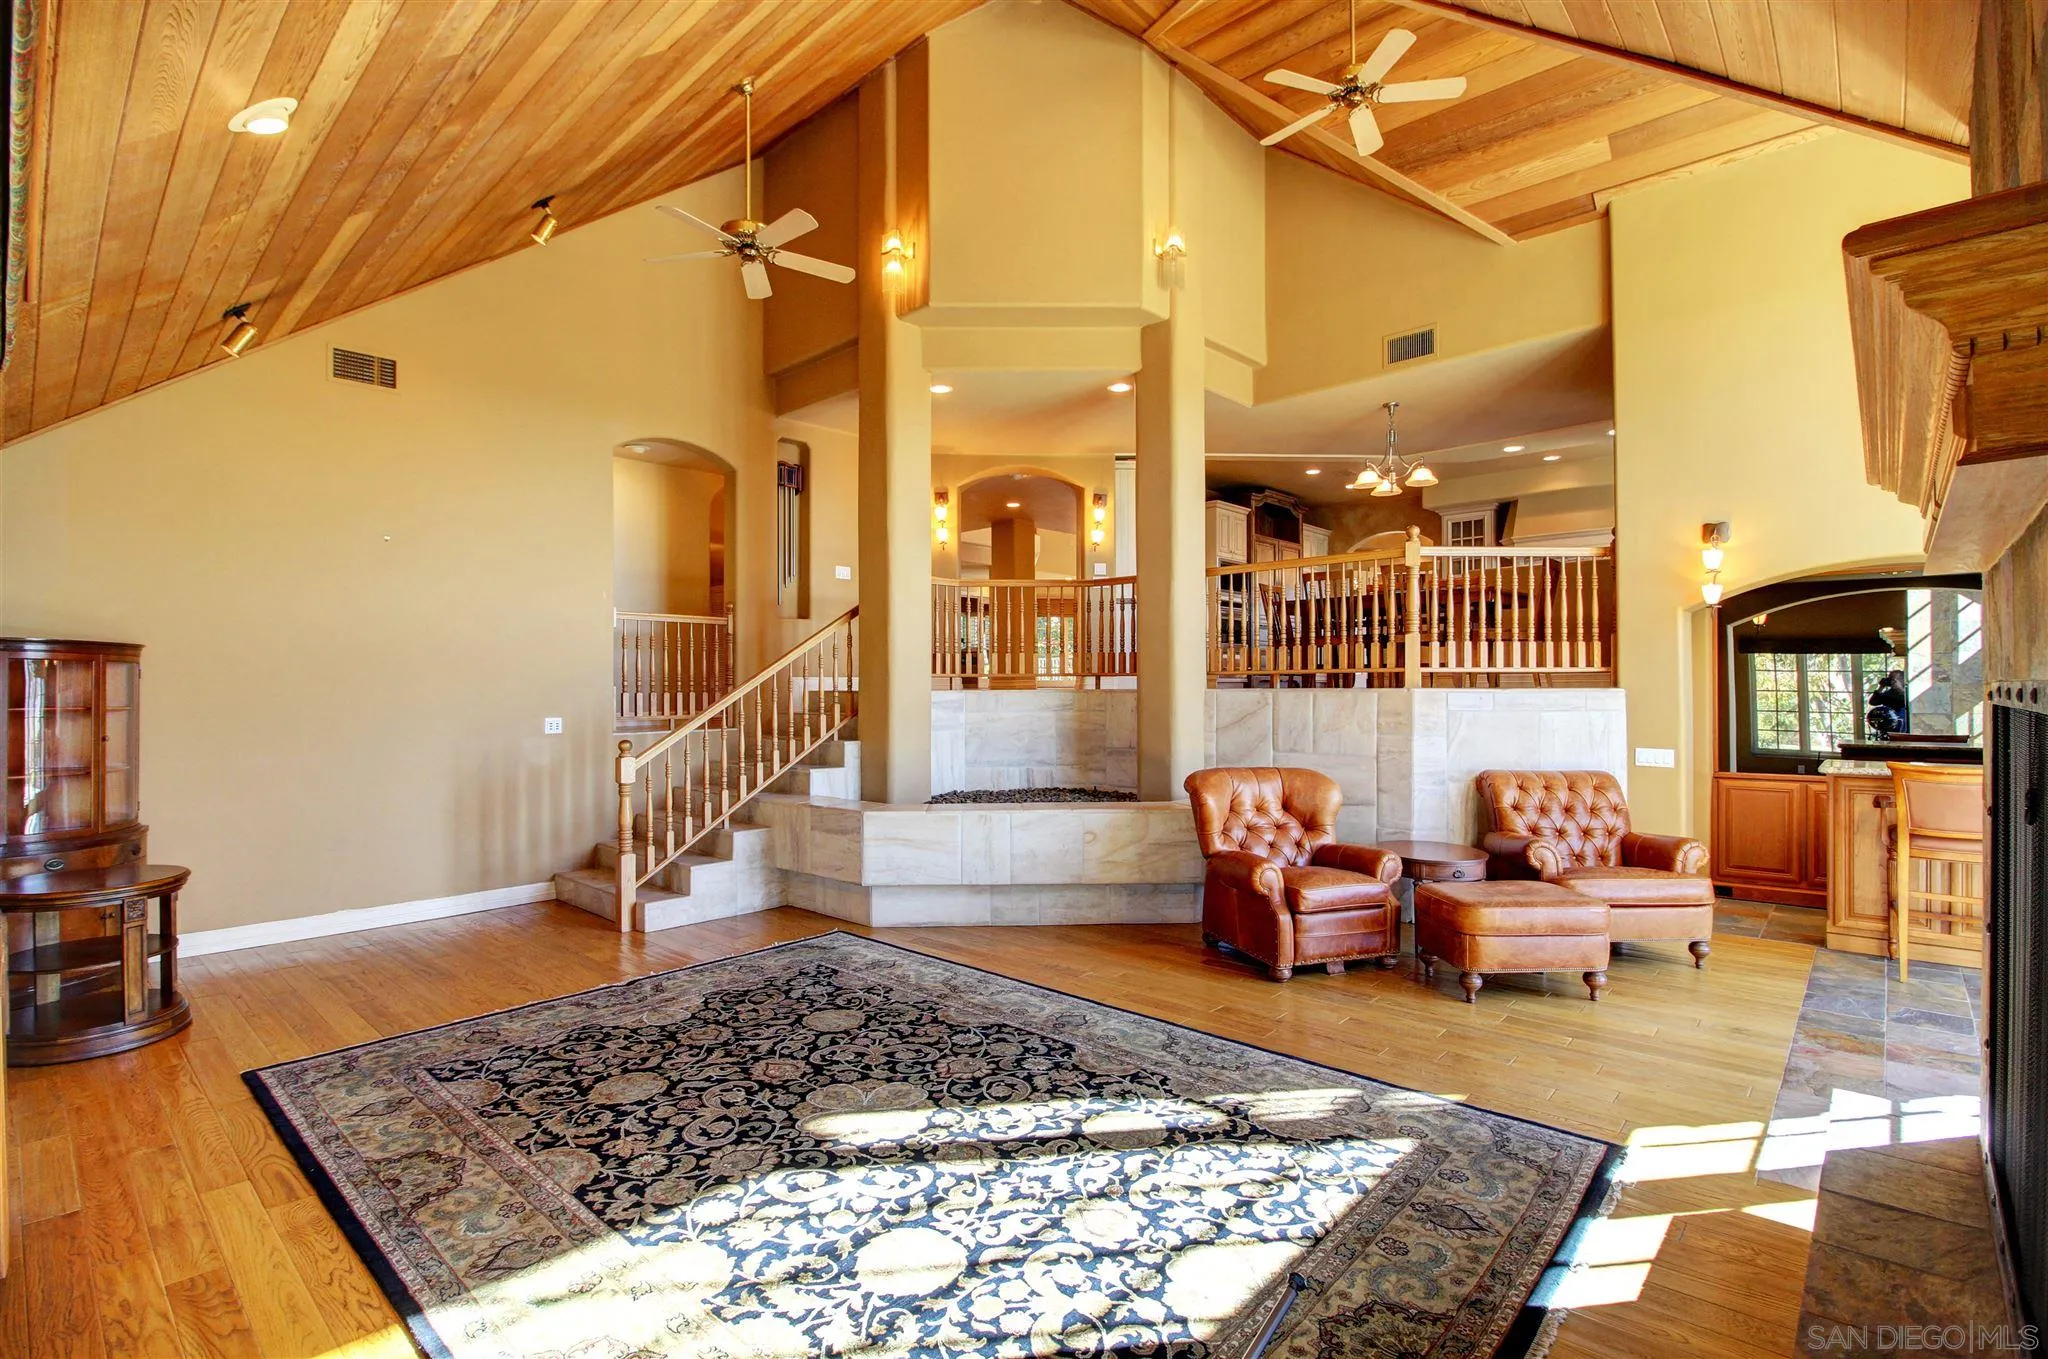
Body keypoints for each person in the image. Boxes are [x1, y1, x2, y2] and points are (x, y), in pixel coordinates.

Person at [1866, 668, 1908, 737]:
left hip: (1903, 726)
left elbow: (1907, 702)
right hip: (1888, 725)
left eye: (1893, 679)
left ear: (1902, 680)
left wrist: (1899, 688)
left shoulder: (1907, 692)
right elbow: (1873, 702)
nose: (1890, 680)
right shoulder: (1888, 693)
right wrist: (1881, 687)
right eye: (1889, 678)